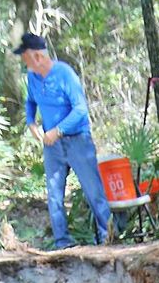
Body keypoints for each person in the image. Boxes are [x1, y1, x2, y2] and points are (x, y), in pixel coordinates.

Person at [15, 32, 113, 249]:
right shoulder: (32, 78)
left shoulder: (65, 74)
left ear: (38, 57)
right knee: (54, 195)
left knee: (93, 191)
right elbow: (30, 101)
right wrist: (31, 123)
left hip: (77, 140)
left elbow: (80, 109)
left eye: (25, 57)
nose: (23, 62)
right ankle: (62, 242)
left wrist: (58, 130)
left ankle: (107, 238)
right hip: (52, 146)